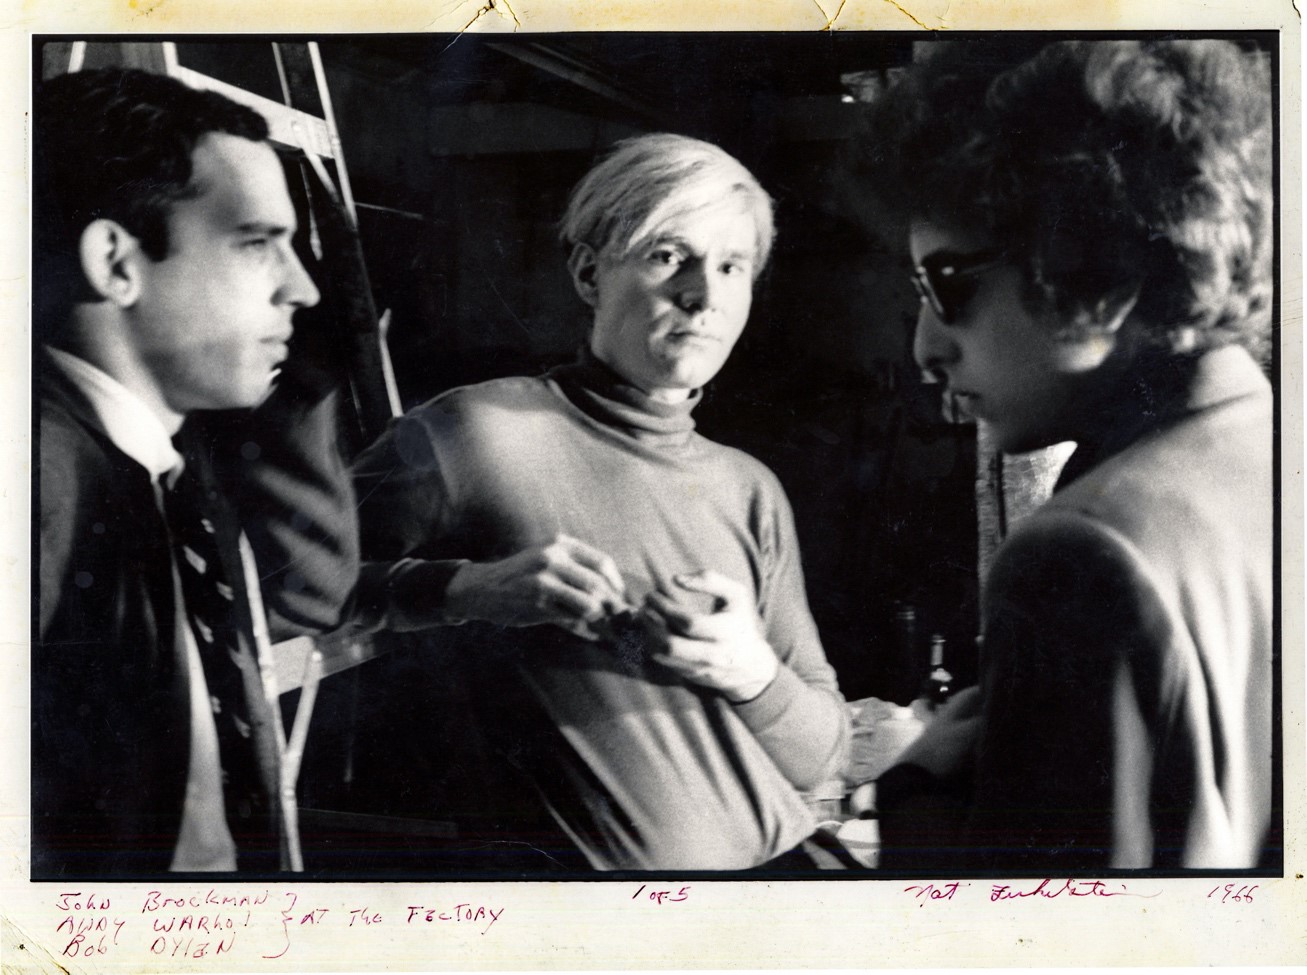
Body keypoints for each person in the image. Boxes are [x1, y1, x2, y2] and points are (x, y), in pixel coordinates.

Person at [351, 133, 852, 871]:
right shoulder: (475, 434)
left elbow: (823, 757)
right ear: (589, 273)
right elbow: (273, 587)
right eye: (667, 256)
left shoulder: (749, 488)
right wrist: (463, 589)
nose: (703, 296)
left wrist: (751, 673)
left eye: (731, 267)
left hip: (783, 888)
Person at [855, 38, 1275, 870]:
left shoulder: (1078, 554)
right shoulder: (1267, 450)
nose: (925, 348)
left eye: (946, 284)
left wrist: (914, 788)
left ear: (1093, 261)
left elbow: (1040, 929)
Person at [34, 67, 359, 875]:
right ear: (117, 262)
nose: (303, 288)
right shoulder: (40, 480)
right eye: (256, 243)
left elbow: (308, 591)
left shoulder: (148, 471)